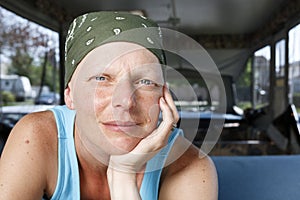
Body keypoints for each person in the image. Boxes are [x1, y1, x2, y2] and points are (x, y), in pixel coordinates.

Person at [0, 11, 218, 199]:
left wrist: (123, 174)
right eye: (101, 79)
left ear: (164, 96)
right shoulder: (36, 137)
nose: (125, 101)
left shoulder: (190, 166)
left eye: (145, 82)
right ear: (70, 95)